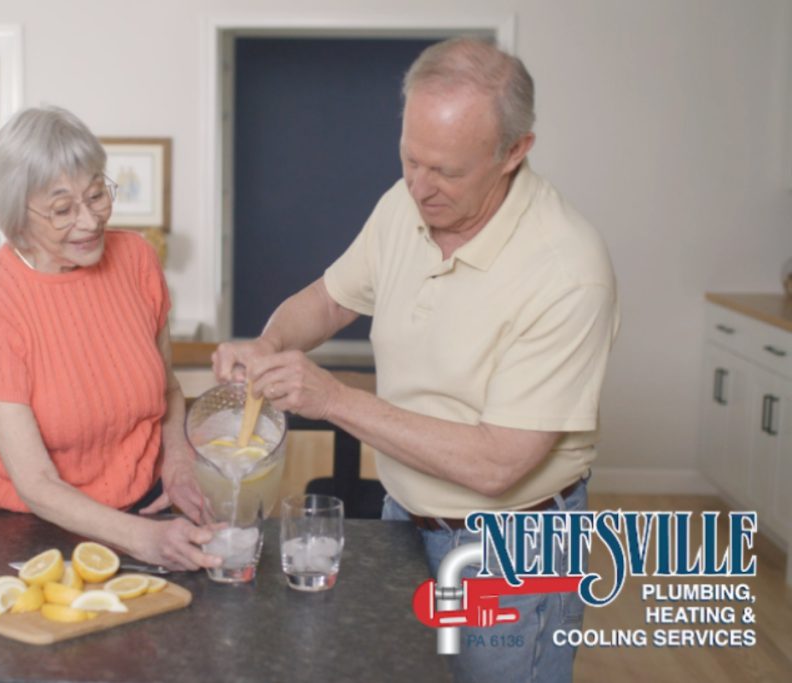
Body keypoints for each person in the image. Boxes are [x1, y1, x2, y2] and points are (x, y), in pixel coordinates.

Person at [213, 39, 619, 682]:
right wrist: (270, 343)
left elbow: (496, 465)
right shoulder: (403, 206)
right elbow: (326, 300)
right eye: (410, 158)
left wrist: (331, 399)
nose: (420, 186)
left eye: (447, 172)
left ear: (515, 151)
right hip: (405, 515)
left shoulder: (567, 272)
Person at [0, 106, 220, 572]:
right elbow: (35, 483)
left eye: (97, 195)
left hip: (144, 510)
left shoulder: (135, 259)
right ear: (16, 221)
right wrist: (143, 540)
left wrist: (177, 461)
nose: (90, 220)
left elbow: (168, 390)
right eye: (62, 210)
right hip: (28, 533)